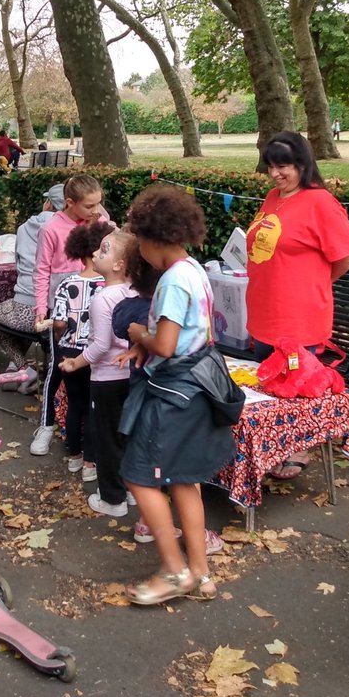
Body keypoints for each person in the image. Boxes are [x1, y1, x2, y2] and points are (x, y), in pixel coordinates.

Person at [117, 185, 235, 606]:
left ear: (151, 240)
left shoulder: (171, 282)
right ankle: (201, 573)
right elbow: (187, 335)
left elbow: (165, 345)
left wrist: (137, 334)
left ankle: (173, 570)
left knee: (136, 473)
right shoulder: (195, 270)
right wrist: (145, 343)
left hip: (173, 395)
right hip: (198, 384)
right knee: (185, 481)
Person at [245, 130, 349, 479]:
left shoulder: (320, 202)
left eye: (284, 166)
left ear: (303, 164)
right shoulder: (273, 196)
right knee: (267, 386)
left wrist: (317, 282)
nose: (276, 174)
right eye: (271, 167)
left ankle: (299, 448)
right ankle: (273, 443)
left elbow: (347, 252)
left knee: (295, 386)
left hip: (298, 313)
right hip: (265, 309)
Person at [30, 174, 112, 456]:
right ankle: (46, 425)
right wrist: (42, 308)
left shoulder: (100, 221)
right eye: (90, 206)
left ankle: (89, 436)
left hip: (98, 304)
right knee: (57, 368)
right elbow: (41, 270)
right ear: (69, 203)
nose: (96, 211)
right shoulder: (51, 229)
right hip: (65, 309)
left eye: (99, 204)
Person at [59, 229, 138, 518]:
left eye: (103, 251)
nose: (94, 254)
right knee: (126, 436)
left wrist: (76, 363)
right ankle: (131, 490)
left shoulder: (102, 298)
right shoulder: (134, 291)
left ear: (119, 264)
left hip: (106, 379)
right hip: (131, 375)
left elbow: (101, 345)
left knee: (107, 440)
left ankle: (112, 499)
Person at [0, 183, 66, 392]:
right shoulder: (74, 227)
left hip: (32, 309)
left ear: (48, 203)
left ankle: (23, 368)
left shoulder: (25, 228)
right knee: (16, 314)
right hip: (59, 310)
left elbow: (21, 263)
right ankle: (20, 368)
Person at [50, 222, 112, 481]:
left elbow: (60, 321)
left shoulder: (67, 283)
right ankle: (90, 463)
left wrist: (58, 337)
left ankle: (74, 456)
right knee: (93, 408)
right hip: (95, 354)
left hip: (68, 349)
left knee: (75, 404)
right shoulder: (107, 285)